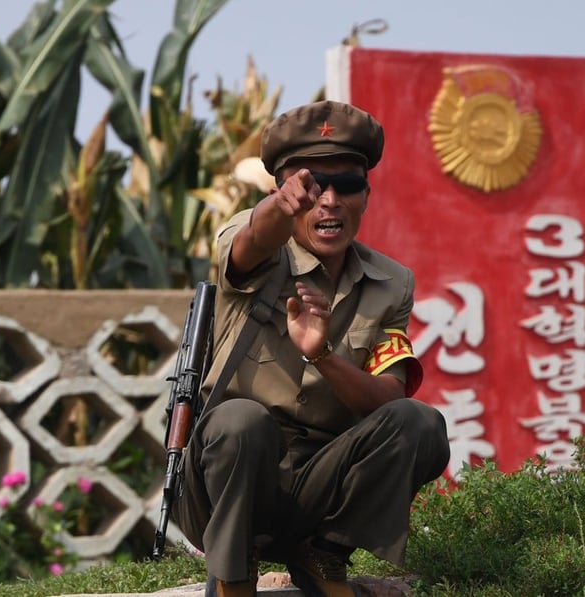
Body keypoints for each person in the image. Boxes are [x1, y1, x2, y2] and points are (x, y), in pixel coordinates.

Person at [172, 100, 450, 597]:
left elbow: (390, 400)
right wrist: (280, 207)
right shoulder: (252, 242)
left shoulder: (391, 284)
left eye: (346, 185)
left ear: (366, 195)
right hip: (224, 479)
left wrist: (323, 356)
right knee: (243, 423)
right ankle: (234, 577)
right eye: (312, 186)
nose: (329, 201)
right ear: (285, 192)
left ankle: (324, 557)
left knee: (421, 423)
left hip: (317, 483)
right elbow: (254, 239)